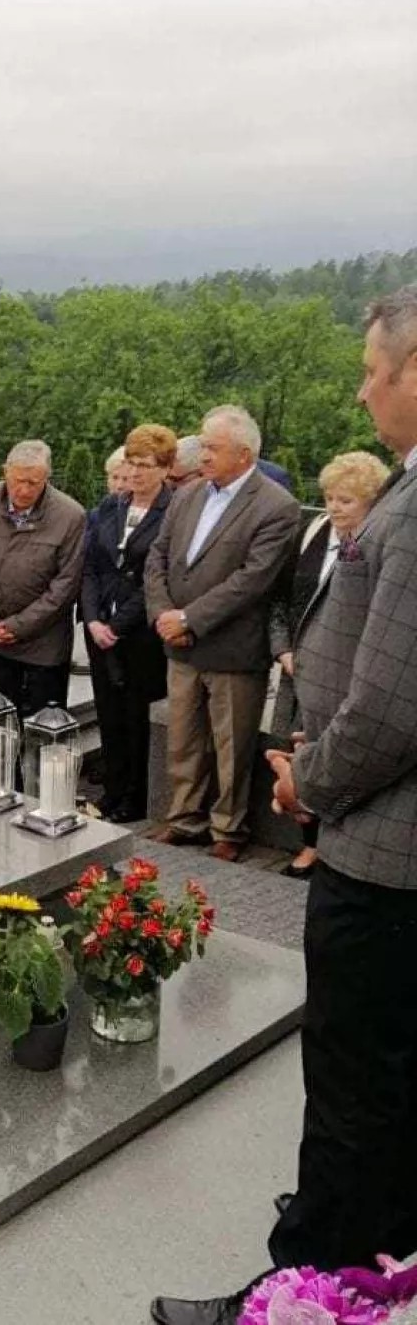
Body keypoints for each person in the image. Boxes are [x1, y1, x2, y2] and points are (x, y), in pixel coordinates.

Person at [151, 287, 417, 1323]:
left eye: (370, 369)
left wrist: (307, 777)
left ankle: (299, 1287)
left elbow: (391, 707)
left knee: (348, 1080)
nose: (357, 386)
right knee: (389, 1074)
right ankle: (376, 1228)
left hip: (383, 855)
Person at [144, 405, 300, 863]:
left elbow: (252, 581)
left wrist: (188, 618)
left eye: (212, 447)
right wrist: (163, 615)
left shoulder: (277, 506)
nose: (202, 454)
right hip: (179, 645)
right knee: (183, 738)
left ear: (244, 453)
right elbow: (157, 557)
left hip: (232, 650)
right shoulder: (189, 495)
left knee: (232, 746)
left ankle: (228, 828)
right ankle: (184, 818)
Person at [267, 450, 389, 879]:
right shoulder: (313, 531)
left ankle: (324, 847)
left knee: (330, 751)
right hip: (295, 672)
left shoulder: (380, 547)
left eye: (346, 500)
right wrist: (283, 650)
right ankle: (306, 841)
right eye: (330, 497)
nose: (334, 507)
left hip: (345, 677)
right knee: (294, 750)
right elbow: (280, 597)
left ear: (371, 503)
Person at [81, 424, 176, 822]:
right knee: (108, 713)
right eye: (131, 464)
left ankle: (136, 798)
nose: (135, 474)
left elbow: (158, 575)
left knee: (136, 714)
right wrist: (91, 620)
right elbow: (90, 567)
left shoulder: (173, 512)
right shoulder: (110, 507)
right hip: (98, 627)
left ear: (165, 468)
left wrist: (118, 625)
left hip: (139, 634)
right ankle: (113, 791)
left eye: (145, 465)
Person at [0, 439, 85, 722]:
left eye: (34, 482)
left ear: (47, 479)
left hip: (45, 645)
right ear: (5, 471)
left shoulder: (70, 515)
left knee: (44, 727)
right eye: (19, 480)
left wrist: (19, 625)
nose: (25, 490)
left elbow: (66, 584)